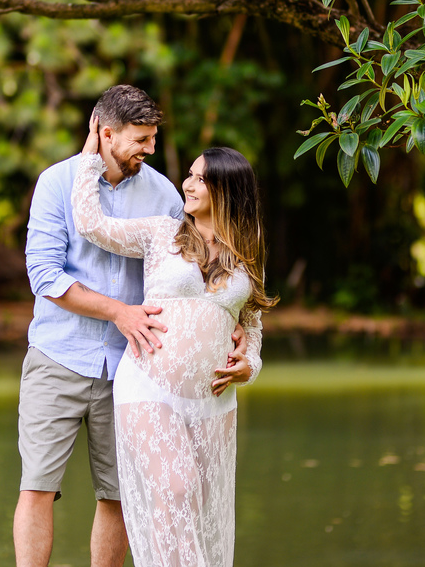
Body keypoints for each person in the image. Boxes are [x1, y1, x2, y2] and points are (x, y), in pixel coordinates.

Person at [16, 85, 250, 567]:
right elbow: (44, 276)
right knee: (38, 485)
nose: (150, 149)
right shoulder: (57, 184)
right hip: (59, 355)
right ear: (105, 133)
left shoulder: (164, 193)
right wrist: (118, 312)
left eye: (152, 139)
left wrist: (232, 317)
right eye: (140, 139)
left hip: (136, 368)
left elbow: (196, 266)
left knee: (121, 495)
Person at [72, 115, 277, 567]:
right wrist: (92, 145)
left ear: (227, 190)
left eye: (200, 178)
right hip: (149, 385)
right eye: (189, 174)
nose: (188, 184)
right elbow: (90, 223)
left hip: (213, 400)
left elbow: (253, 324)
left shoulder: (248, 248)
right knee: (176, 485)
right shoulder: (161, 233)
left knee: (199, 503)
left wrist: (251, 365)